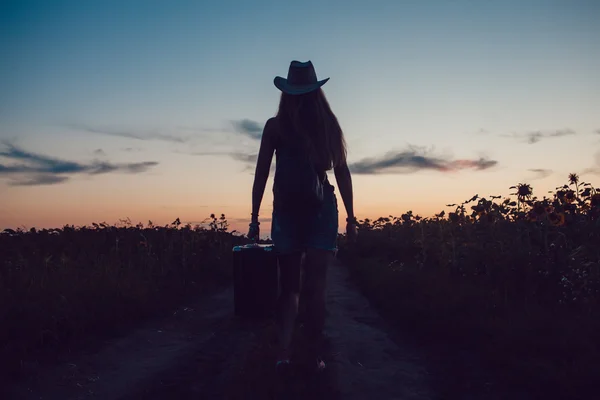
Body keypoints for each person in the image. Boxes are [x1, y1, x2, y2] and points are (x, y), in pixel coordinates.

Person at [247, 60, 358, 372]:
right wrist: (351, 218)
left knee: (292, 288)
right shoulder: (325, 125)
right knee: (313, 287)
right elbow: (342, 173)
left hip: (290, 210)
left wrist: (255, 217)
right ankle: (311, 354)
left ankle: (288, 353)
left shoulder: (276, 126)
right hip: (318, 210)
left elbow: (261, 175)